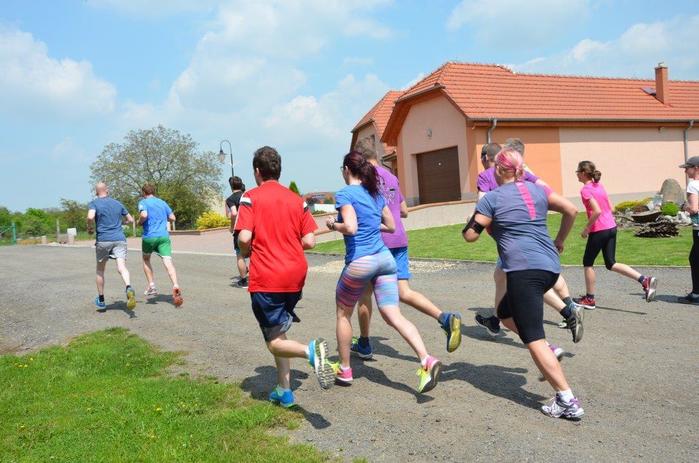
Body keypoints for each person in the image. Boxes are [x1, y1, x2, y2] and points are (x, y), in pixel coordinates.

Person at [463, 147, 584, 420]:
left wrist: (476, 221)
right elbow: (571, 209)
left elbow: (470, 235)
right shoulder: (538, 191)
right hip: (549, 267)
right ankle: (547, 350)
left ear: (497, 169)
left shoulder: (492, 198)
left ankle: (566, 400)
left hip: (524, 270)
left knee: (533, 338)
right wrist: (560, 240)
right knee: (504, 313)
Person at [327, 151, 441, 394]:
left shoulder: (345, 193)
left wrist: (333, 225)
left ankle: (345, 369)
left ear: (347, 169)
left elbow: (350, 227)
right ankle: (426, 359)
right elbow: (391, 225)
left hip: (361, 261)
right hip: (385, 259)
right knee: (393, 315)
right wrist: (369, 224)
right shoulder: (374, 193)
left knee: (343, 314)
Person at [235, 146, 335, 408]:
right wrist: (286, 245)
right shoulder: (296, 200)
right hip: (295, 275)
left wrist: (246, 252)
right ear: (278, 170)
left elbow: (244, 237)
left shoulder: (250, 197)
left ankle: (310, 352)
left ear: (257, 171)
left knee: (273, 342)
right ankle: (284, 390)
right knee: (279, 331)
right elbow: (310, 241)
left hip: (268, 275)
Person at [349, 141, 462, 359]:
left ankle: (364, 342)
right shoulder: (391, 177)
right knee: (404, 292)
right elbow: (404, 211)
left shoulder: (364, 178)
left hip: (377, 244)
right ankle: (445, 318)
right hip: (399, 239)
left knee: (365, 295)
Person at [475, 141, 583, 345]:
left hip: (511, 241)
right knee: (503, 277)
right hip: (534, 237)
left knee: (528, 281)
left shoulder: (485, 176)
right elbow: (547, 190)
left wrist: (477, 221)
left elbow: (481, 204)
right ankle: (497, 319)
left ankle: (566, 315)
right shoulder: (524, 173)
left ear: (488, 159)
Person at [575, 161, 657, 308]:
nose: (576, 175)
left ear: (583, 173)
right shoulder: (599, 186)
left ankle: (589, 299)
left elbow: (597, 211)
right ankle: (644, 280)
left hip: (599, 229)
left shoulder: (585, 190)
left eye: (577, 172)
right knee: (611, 263)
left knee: (588, 263)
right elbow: (611, 208)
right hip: (611, 227)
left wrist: (586, 229)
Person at [86, 182, 136, 311]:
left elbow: (90, 217)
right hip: (119, 239)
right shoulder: (118, 203)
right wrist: (124, 222)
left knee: (100, 270)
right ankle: (128, 286)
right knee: (122, 267)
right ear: (107, 191)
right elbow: (131, 220)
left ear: (96, 192)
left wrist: (90, 227)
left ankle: (101, 300)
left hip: (103, 240)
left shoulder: (94, 203)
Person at [138, 183, 183, 307]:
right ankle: (175, 284)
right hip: (163, 236)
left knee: (146, 259)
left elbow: (143, 215)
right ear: (154, 192)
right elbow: (173, 218)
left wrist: (140, 222)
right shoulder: (162, 202)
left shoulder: (143, 202)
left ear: (144, 193)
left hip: (149, 237)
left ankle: (152, 285)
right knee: (168, 261)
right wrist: (163, 219)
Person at [679, 156, 699, 304]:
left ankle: (696, 294)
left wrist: (683, 206)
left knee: (695, 258)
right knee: (694, 257)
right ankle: (696, 292)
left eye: (687, 168)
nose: (685, 171)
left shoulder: (693, 185)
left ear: (696, 168)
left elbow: (694, 209)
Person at [226, 176, 248, 288]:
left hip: (240, 229)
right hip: (251, 228)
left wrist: (232, 227)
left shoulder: (230, 199)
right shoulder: (247, 196)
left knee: (240, 255)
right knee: (255, 253)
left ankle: (244, 281)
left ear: (231, 186)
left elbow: (233, 213)